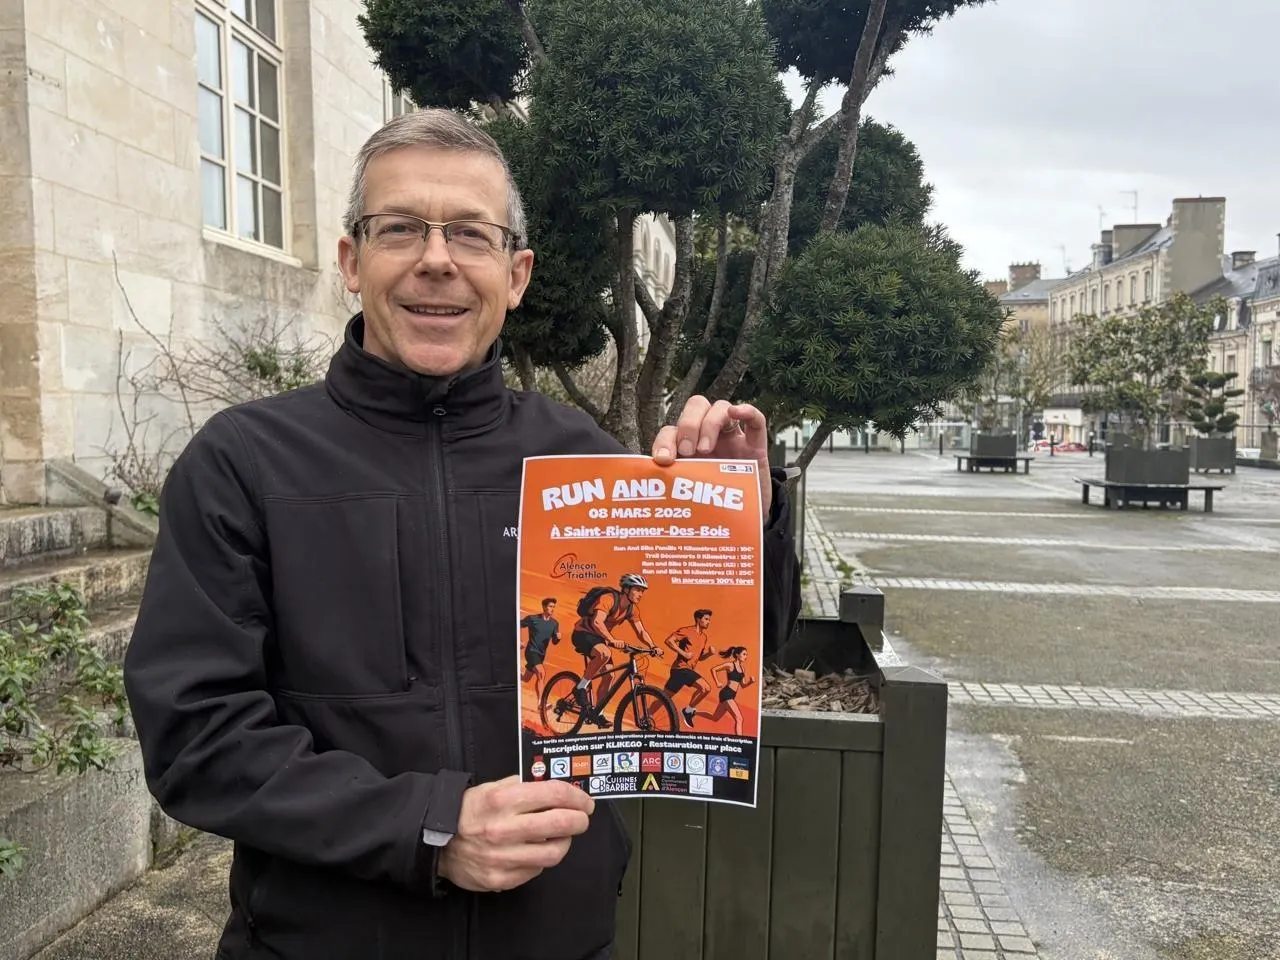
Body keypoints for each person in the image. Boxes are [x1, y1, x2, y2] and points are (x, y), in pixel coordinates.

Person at [122, 108, 801, 960]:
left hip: (558, 940)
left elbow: (733, 662)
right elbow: (195, 735)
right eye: (401, 227)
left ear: (516, 275)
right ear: (352, 261)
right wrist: (429, 829)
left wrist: (740, 519)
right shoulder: (244, 463)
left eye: (471, 234)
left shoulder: (583, 464)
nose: (437, 259)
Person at [571, 574, 655, 726]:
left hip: (600, 638)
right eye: (637, 590)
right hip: (583, 633)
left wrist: (652, 646)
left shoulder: (632, 609)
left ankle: (598, 713)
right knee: (604, 653)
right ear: (626, 589)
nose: (640, 594)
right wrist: (612, 640)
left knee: (609, 675)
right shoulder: (609, 599)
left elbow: (641, 631)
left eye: (642, 591)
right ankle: (580, 688)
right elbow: (597, 622)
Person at [662, 609, 715, 728]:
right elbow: (669, 641)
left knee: (664, 697)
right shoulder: (686, 631)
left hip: (685, 671)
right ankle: (688, 711)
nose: (708, 622)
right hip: (680, 669)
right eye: (706, 619)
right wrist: (683, 653)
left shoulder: (704, 637)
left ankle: (646, 714)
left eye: (709, 620)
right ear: (698, 619)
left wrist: (709, 654)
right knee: (705, 688)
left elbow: (699, 657)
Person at [695, 646, 756, 735]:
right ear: (737, 655)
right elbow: (714, 669)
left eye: (746, 655)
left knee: (715, 717)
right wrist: (717, 682)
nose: (746, 656)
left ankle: (694, 712)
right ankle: (740, 740)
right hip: (727, 693)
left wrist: (750, 682)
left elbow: (743, 685)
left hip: (731, 695)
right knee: (739, 718)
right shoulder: (730, 665)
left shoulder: (742, 669)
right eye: (744, 654)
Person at [520, 597, 561, 699]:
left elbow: (554, 642)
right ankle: (541, 703)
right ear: (544, 607)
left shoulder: (554, 623)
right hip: (531, 651)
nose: (552, 609)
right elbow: (516, 625)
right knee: (541, 673)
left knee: (525, 678)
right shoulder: (532, 619)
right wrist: (519, 641)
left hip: (541, 654)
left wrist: (558, 638)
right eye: (550, 606)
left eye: (554, 607)